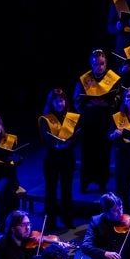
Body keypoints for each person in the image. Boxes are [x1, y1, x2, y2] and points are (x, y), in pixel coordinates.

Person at [75, 48, 121, 194]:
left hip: (105, 120)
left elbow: (119, 97)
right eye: (96, 64)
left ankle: (102, 182)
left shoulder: (113, 78)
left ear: (106, 63)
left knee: (103, 153)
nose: (99, 67)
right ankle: (85, 182)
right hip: (89, 120)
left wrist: (109, 103)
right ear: (91, 64)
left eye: (101, 64)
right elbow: (77, 99)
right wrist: (91, 103)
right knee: (87, 152)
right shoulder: (85, 79)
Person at [38, 87, 79, 229]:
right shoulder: (46, 119)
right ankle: (50, 223)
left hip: (67, 157)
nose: (60, 103)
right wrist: (57, 145)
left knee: (67, 190)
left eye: (62, 100)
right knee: (51, 191)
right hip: (52, 158)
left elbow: (76, 135)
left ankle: (67, 220)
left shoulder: (71, 117)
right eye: (56, 101)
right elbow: (45, 137)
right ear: (51, 102)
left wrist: (69, 142)